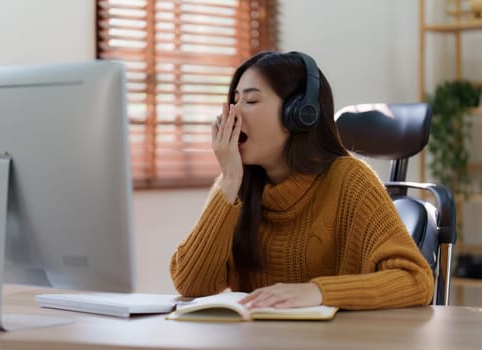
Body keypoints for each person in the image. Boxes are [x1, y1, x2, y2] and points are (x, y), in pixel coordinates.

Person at [170, 51, 434, 310]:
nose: (231, 115)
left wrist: (319, 292)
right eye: (234, 101)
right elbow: (191, 284)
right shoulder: (235, 183)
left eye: (250, 101)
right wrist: (228, 182)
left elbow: (416, 280)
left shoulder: (350, 181)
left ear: (297, 114)